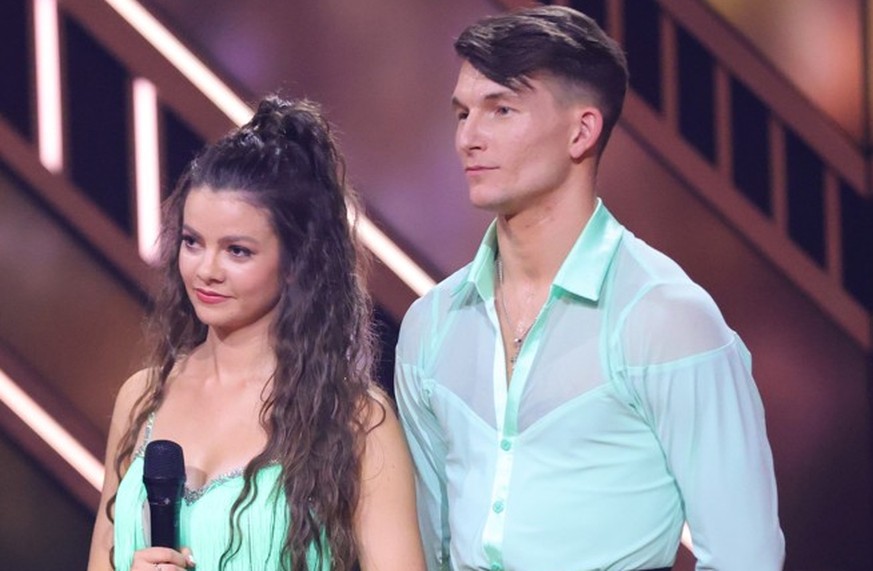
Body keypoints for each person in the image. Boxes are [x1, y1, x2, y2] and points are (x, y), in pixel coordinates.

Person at [395, 6, 784, 571]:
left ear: (581, 130)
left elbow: (745, 556)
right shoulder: (432, 322)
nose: (468, 138)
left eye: (500, 109)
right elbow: (428, 547)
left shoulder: (667, 318)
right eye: (462, 113)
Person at [87, 96, 426, 571]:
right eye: (192, 242)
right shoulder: (142, 399)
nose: (206, 270)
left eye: (237, 251)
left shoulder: (353, 422)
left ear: (295, 263)